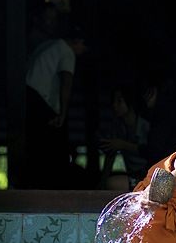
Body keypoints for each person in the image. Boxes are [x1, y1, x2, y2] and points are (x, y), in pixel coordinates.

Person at [25, 25, 87, 190]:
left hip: (29, 93)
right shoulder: (66, 51)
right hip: (39, 98)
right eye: (83, 46)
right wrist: (63, 113)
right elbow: (66, 82)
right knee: (53, 144)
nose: (82, 51)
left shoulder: (51, 45)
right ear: (78, 42)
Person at [98, 81, 150, 190]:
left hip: (148, 177)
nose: (115, 105)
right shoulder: (118, 127)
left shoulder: (145, 126)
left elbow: (151, 152)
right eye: (114, 101)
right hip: (132, 175)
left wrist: (122, 145)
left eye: (119, 101)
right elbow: (110, 155)